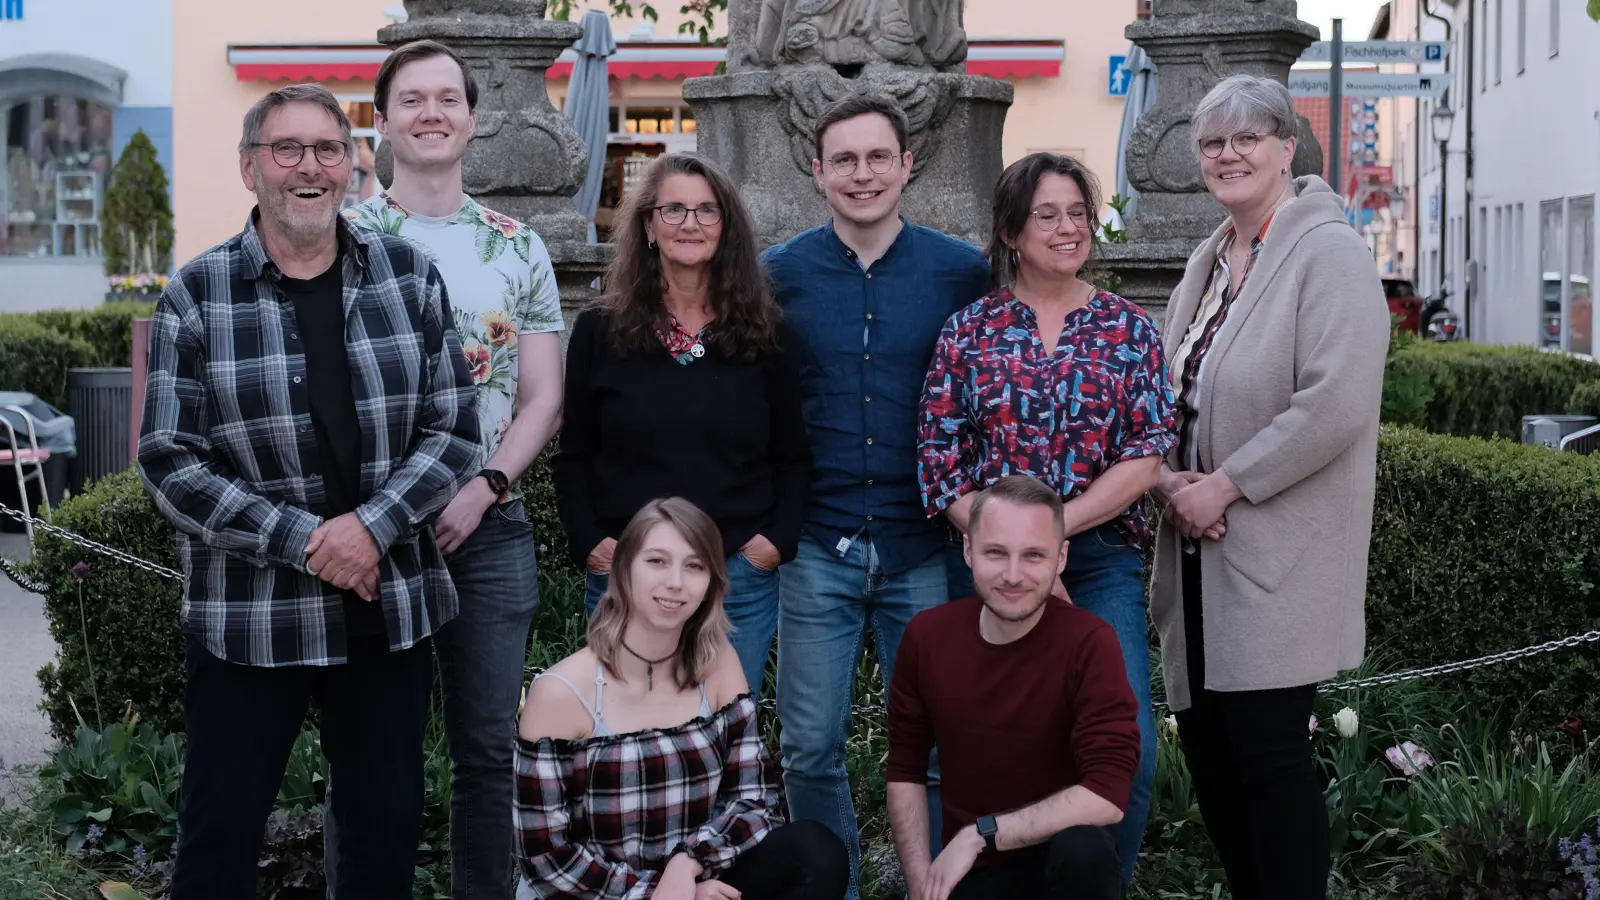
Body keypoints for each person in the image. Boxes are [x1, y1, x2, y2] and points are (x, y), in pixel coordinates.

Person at [136, 83, 481, 899]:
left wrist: (370, 528)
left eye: (329, 149)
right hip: (250, 621)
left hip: (386, 610)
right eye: (286, 149)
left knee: (383, 838)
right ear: (250, 168)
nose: (310, 167)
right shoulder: (199, 292)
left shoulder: (407, 277)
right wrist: (306, 541)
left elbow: (455, 430)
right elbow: (169, 461)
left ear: (353, 166)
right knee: (218, 835)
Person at [1150, 74, 1390, 900]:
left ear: (1289, 147)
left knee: (1269, 760)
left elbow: (1336, 404)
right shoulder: (1210, 258)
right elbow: (1173, 389)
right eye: (1213, 142)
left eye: (1248, 137)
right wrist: (1167, 476)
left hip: (1276, 561)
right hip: (1195, 559)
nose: (1229, 154)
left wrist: (1225, 486)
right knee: (1214, 758)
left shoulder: (1330, 253)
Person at [342, 40, 565, 900]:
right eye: (412, 99)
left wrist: (487, 486)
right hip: (372, 530)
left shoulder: (517, 247)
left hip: (489, 525)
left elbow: (542, 395)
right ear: (384, 119)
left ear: (472, 119)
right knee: (371, 751)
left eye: (447, 99)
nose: (431, 113)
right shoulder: (344, 236)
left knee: (485, 751)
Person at [917, 151, 1175, 886]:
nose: (1069, 229)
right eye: (1048, 215)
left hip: (1097, 566)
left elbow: (1146, 453)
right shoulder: (969, 331)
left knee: (1132, 750)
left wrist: (1054, 539)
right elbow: (940, 466)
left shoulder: (1127, 330)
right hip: (985, 566)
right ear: (1009, 232)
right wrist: (1015, 553)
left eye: (1079, 214)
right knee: (970, 746)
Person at [761, 91, 990, 899]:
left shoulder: (962, 272)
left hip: (923, 542)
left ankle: (932, 887)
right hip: (817, 542)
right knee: (808, 746)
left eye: (878, 157)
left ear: (908, 165)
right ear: (818, 171)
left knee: (934, 743)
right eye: (845, 160)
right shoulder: (776, 274)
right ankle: (841, 889)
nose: (863, 174)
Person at [552, 152, 808, 696]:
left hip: (735, 575)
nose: (689, 223)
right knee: (625, 737)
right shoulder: (602, 329)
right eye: (673, 209)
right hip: (626, 571)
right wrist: (591, 542)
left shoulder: (767, 333)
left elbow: (792, 457)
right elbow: (574, 454)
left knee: (723, 736)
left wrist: (773, 544)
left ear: (727, 227)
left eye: (706, 211)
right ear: (648, 225)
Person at [514, 497, 850, 900]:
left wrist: (687, 865)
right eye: (657, 561)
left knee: (814, 852)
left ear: (711, 582)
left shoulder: (719, 663)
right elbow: (546, 858)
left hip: (697, 878)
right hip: (598, 894)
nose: (675, 581)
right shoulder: (561, 692)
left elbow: (755, 798)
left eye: (694, 566)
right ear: (624, 571)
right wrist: (658, 892)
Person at [886, 475, 1139, 900]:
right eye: (996, 553)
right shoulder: (928, 637)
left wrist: (983, 833)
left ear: (1060, 559)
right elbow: (905, 771)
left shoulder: (1091, 642)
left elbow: (1106, 793)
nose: (1013, 575)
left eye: (1033, 555)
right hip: (974, 876)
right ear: (968, 550)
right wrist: (920, 886)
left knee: (1086, 848)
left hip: (1058, 871)